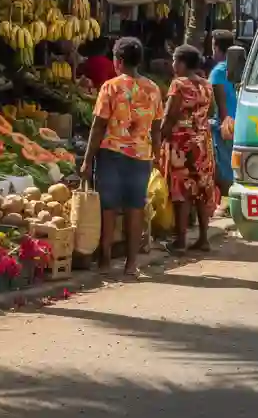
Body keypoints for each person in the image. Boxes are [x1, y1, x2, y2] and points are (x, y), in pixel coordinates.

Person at [81, 38, 163, 277]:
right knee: (135, 207)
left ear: (118, 61)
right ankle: (131, 264)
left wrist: (87, 160)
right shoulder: (153, 88)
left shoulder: (110, 87)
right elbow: (156, 129)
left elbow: (98, 126)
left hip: (111, 154)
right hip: (141, 155)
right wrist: (156, 157)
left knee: (108, 207)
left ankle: (105, 261)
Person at [160, 44, 215, 253]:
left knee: (180, 190)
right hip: (202, 142)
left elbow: (169, 115)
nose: (173, 65)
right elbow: (209, 111)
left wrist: (159, 137)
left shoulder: (178, 85)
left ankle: (181, 241)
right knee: (201, 189)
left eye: (174, 60)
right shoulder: (206, 85)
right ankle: (203, 238)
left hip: (181, 143)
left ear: (182, 63)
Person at [208, 29, 237, 217]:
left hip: (225, 124)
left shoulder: (218, 71)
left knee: (223, 166)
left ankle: (228, 204)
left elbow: (219, 100)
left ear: (217, 47)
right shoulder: (236, 67)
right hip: (237, 121)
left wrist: (223, 123)